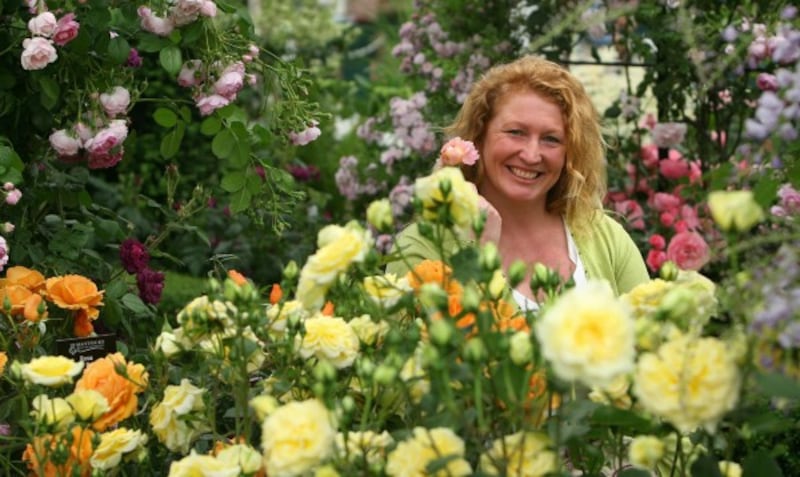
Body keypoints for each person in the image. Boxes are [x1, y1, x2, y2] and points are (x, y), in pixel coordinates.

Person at [387, 55, 649, 310]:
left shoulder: (603, 236)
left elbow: (652, 340)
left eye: (551, 139)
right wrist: (478, 251)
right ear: (479, 136)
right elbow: (417, 349)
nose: (532, 155)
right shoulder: (421, 247)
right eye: (515, 132)